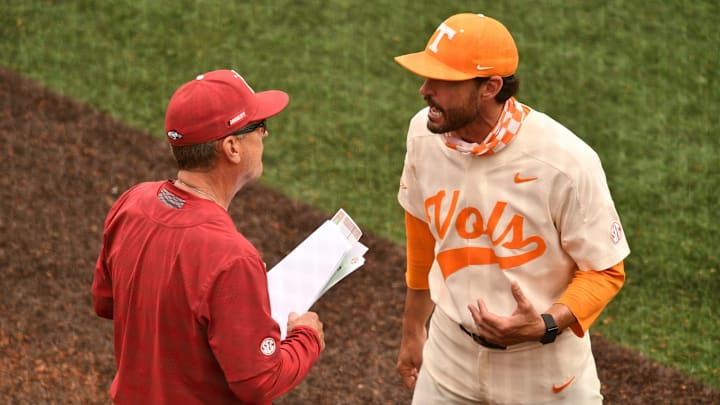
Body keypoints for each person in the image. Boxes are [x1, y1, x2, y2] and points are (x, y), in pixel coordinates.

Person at [393, 13, 630, 404]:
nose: (424, 90)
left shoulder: (564, 162)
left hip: (541, 368)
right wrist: (412, 330)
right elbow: (422, 235)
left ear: (490, 87)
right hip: (449, 354)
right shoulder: (424, 133)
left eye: (444, 81)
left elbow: (605, 271)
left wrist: (544, 324)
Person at [92, 69, 325, 404]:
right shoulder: (232, 258)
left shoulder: (132, 203)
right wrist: (306, 337)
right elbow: (259, 381)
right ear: (232, 147)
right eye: (258, 127)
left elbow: (105, 301)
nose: (265, 134)